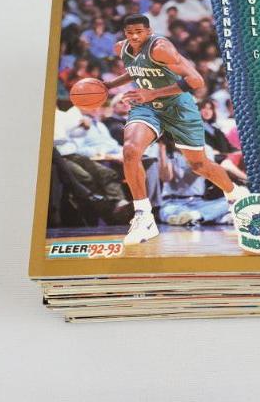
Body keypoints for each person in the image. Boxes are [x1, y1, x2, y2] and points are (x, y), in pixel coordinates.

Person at [102, 14, 248, 245]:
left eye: (139, 32)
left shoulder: (161, 48)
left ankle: (234, 194)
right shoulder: (122, 48)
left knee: (199, 165)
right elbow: (137, 70)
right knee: (130, 150)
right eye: (130, 32)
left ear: (149, 31)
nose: (134, 36)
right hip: (147, 107)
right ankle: (143, 216)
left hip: (179, 108)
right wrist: (109, 85)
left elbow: (196, 81)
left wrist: (152, 93)